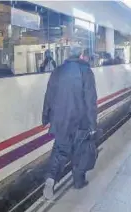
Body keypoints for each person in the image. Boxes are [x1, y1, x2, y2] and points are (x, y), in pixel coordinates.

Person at [42, 46, 98, 199]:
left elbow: (49, 94)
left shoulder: (57, 71)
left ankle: (50, 180)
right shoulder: (86, 72)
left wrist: (46, 116)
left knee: (60, 151)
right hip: (80, 121)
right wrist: (93, 124)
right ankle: (79, 182)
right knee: (80, 151)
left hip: (61, 120)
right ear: (81, 55)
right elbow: (90, 100)